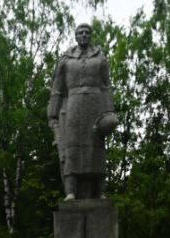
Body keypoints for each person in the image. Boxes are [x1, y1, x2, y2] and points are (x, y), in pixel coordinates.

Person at [47, 23, 118, 200]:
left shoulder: (100, 58)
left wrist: (109, 111)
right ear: (76, 36)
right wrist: (53, 114)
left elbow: (106, 86)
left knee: (97, 148)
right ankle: (70, 191)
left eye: (87, 32)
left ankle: (100, 191)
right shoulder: (66, 60)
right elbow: (57, 89)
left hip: (95, 107)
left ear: (91, 36)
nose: (84, 35)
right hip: (73, 106)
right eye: (80, 32)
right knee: (72, 148)